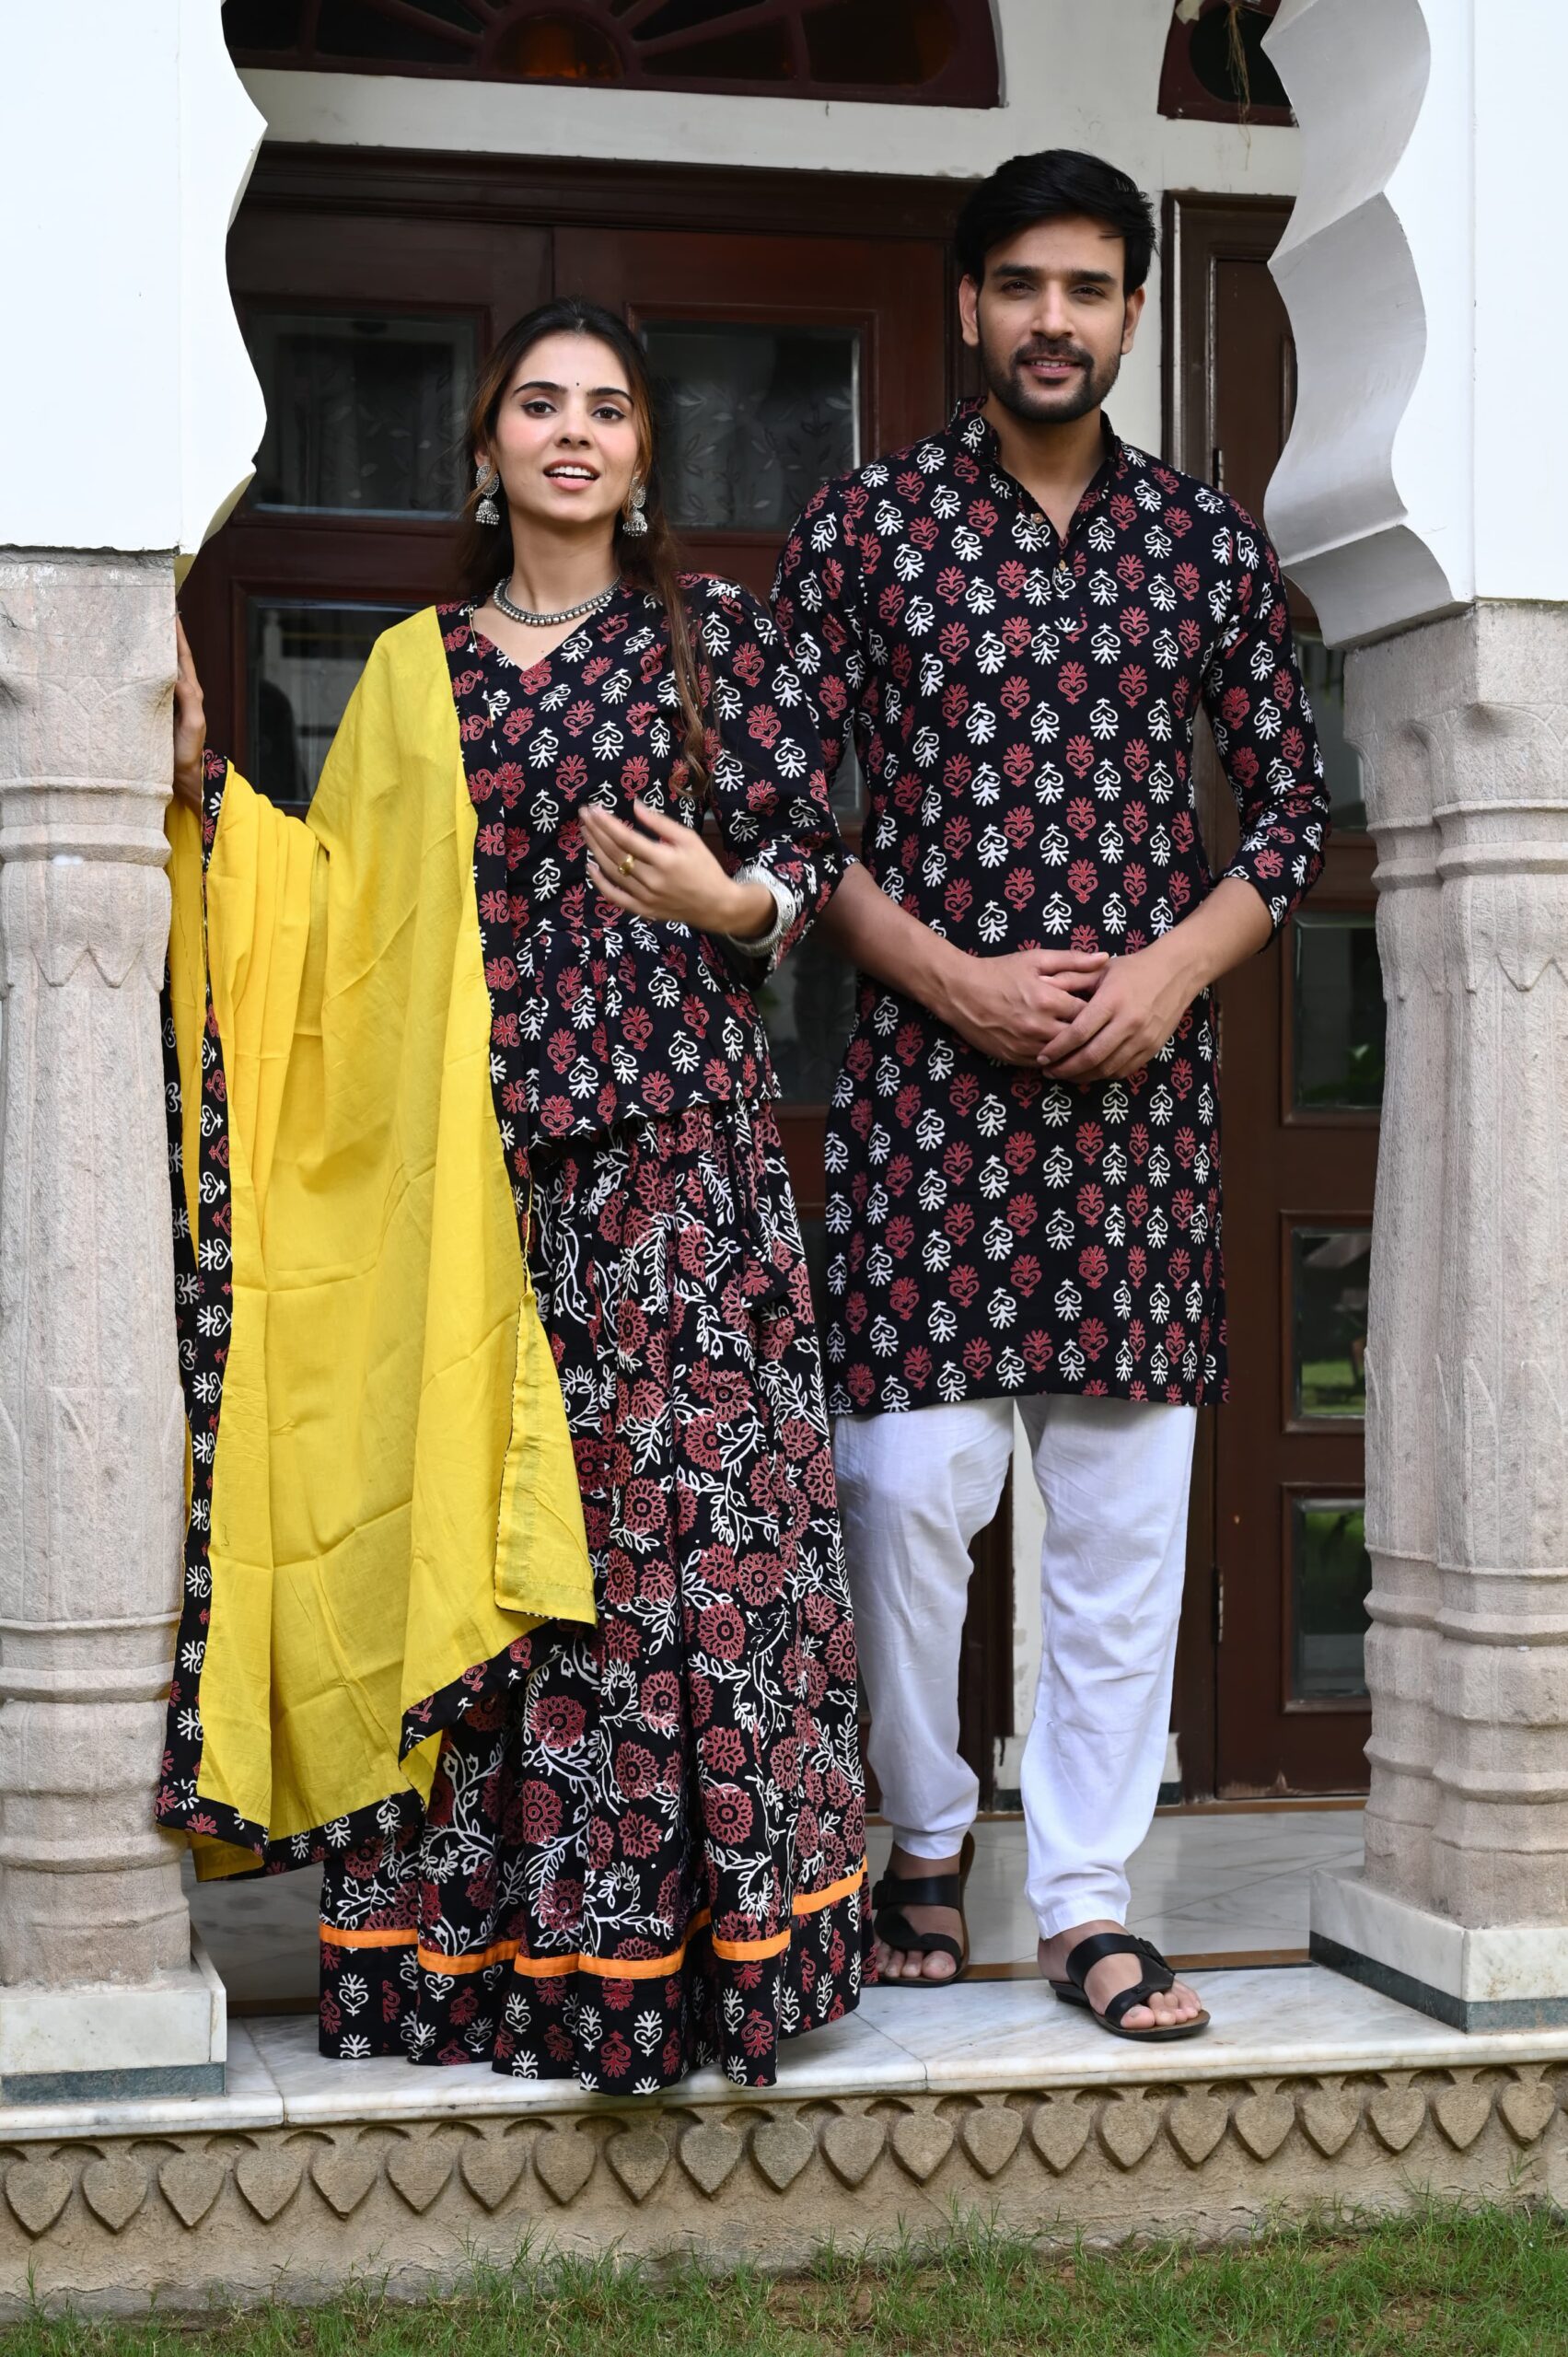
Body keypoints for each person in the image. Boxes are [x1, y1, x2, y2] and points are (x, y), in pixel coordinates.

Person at [162, 297, 868, 2094]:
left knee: (678, 1564)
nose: (571, 432)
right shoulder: (412, 670)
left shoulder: (713, 639)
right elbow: (338, 913)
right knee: (494, 1559)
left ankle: (696, 1972)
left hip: (684, 1188)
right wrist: (205, 799)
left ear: (645, 457)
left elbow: (811, 858)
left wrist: (731, 906)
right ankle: (483, 1971)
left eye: (607, 407)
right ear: (487, 447)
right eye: (538, 405)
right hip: (473, 1195)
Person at [774, 150, 1330, 2038]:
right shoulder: (869, 532)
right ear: (965, 305)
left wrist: (1172, 972)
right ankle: (924, 1830)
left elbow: (1295, 810)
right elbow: (785, 820)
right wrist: (952, 978)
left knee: (1114, 1528)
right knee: (903, 1487)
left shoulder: (1202, 541)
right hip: (928, 1096)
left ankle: (1088, 1895)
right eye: (1021, 286)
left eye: (1088, 290)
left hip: (1135, 1116)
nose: (1053, 322)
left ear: (1132, 315)